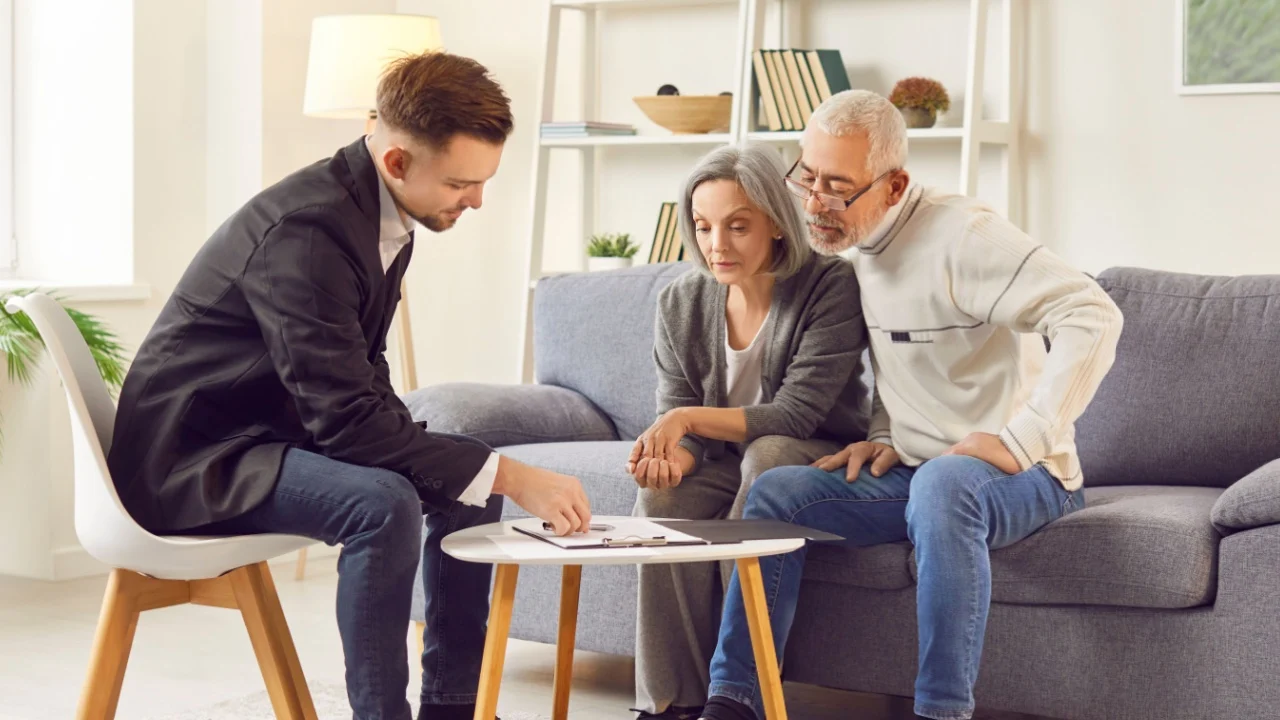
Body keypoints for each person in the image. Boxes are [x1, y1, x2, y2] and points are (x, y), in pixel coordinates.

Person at [107, 52, 591, 720]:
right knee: (386, 503)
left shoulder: (385, 213)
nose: (477, 200)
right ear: (396, 162)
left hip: (266, 436)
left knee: (468, 484)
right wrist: (511, 472)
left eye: (483, 181)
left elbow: (360, 377)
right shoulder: (307, 231)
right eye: (460, 182)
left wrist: (481, 470)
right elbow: (345, 421)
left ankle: (455, 709)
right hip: (193, 460)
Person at [698, 90, 1124, 720]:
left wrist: (1023, 439)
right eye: (807, 176)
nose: (815, 203)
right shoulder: (853, 246)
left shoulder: (965, 237)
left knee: (947, 484)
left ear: (894, 186)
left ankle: (941, 712)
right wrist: (885, 430)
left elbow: (1093, 313)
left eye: (838, 187)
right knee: (777, 494)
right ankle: (735, 700)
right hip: (920, 474)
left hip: (1027, 479)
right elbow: (902, 354)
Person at [628, 142, 871, 720]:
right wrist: (672, 459)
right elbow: (681, 415)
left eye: (738, 226)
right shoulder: (680, 300)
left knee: (766, 455)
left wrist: (683, 421)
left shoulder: (830, 286)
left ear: (778, 226)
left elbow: (796, 415)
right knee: (662, 493)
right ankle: (669, 702)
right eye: (704, 226)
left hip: (810, 452)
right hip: (720, 460)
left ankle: (734, 692)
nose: (717, 245)